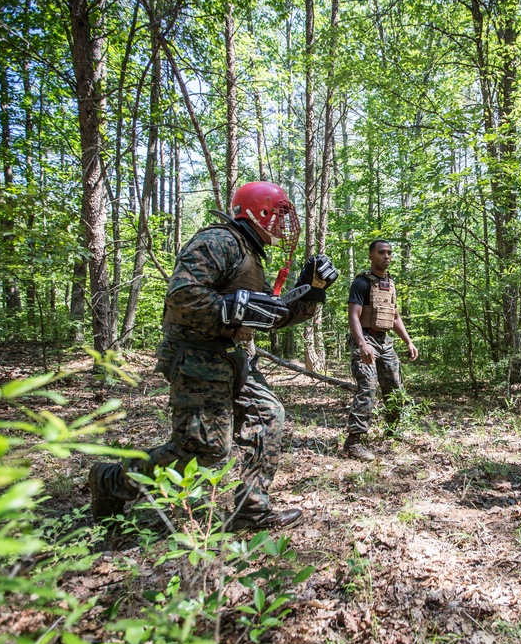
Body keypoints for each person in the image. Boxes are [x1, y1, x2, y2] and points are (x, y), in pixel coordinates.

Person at [89, 181, 338, 530]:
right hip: (197, 358)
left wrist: (312, 291)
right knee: (202, 449)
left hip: (234, 359)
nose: (284, 224)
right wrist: (230, 308)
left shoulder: (250, 255)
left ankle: (251, 510)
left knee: (268, 416)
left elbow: (272, 314)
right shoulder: (220, 241)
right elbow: (182, 294)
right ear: (258, 211)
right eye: (279, 214)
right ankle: (110, 480)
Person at [342, 240, 419, 461]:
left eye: (389, 253)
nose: (386, 256)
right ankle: (353, 443)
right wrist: (362, 344)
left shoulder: (390, 283)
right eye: (381, 253)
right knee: (368, 387)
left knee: (395, 387)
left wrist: (408, 342)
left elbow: (394, 316)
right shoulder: (362, 283)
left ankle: (392, 431)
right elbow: (353, 316)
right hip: (365, 339)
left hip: (385, 342)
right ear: (371, 256)